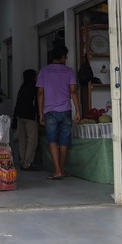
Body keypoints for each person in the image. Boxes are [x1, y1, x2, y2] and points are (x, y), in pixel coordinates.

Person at [38, 46, 80, 180]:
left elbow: (40, 93)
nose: (66, 58)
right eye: (65, 56)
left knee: (52, 141)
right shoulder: (69, 72)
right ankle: (60, 169)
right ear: (62, 57)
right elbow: (73, 91)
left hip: (50, 112)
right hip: (66, 111)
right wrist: (78, 111)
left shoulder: (43, 71)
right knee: (64, 142)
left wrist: (40, 113)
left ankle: (57, 171)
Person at [13, 69, 40, 170]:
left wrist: (14, 117)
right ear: (33, 76)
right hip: (29, 115)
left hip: (20, 115)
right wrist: (39, 114)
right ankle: (27, 163)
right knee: (32, 140)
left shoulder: (23, 87)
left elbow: (18, 102)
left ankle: (22, 161)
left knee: (22, 139)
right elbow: (36, 102)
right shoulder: (35, 86)